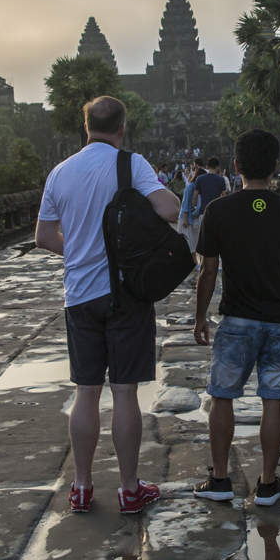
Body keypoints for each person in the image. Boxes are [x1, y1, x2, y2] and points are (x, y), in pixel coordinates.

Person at [34, 96, 180, 515]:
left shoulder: (60, 172)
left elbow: (43, 236)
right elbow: (170, 209)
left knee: (86, 391)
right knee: (124, 392)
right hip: (125, 295)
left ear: (86, 127)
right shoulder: (130, 165)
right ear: (121, 128)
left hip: (79, 296)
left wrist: (81, 252)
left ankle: (81, 487)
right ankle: (130, 489)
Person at [191, 129, 280, 507]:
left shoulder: (218, 211)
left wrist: (200, 317)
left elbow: (208, 270)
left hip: (237, 319)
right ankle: (268, 483)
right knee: (274, 399)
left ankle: (220, 478)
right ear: (275, 167)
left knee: (222, 397)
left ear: (236, 165)